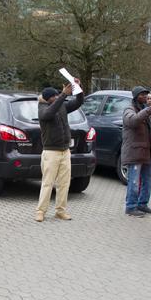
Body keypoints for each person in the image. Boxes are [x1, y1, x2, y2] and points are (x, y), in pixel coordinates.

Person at [35, 80, 85, 222]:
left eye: (57, 95)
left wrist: (77, 88)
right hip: (51, 152)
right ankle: (40, 211)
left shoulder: (61, 105)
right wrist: (63, 94)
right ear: (47, 98)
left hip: (65, 151)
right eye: (54, 96)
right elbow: (48, 115)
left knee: (64, 183)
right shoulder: (42, 108)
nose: (56, 98)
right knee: (47, 183)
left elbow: (79, 102)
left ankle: (60, 211)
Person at [121, 86, 151, 217]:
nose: (145, 97)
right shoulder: (129, 109)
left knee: (149, 179)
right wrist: (149, 110)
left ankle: (142, 204)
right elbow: (132, 121)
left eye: (147, 95)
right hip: (134, 151)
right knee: (134, 181)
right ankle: (130, 206)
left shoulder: (145, 110)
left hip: (146, 151)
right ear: (136, 96)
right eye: (142, 95)